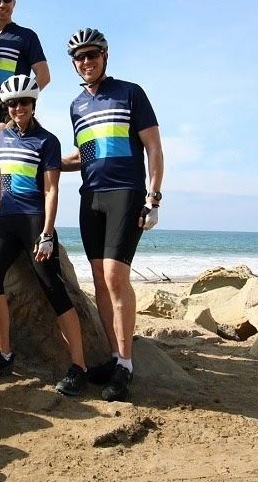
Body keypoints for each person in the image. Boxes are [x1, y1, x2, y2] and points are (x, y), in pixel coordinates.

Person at [0, 75, 88, 396]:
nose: (18, 108)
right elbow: (0, 181)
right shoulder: (1, 139)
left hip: (34, 221)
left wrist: (47, 233)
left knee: (53, 288)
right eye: (13, 103)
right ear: (6, 107)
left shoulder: (47, 141)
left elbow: (51, 189)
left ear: (33, 104)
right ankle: (3, 355)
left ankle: (79, 367)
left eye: (24, 102)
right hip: (6, 220)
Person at [62, 28, 164, 402]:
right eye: (79, 57)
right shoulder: (76, 106)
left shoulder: (130, 93)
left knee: (115, 278)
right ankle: (115, 356)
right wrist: (48, 164)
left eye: (92, 55)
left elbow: (153, 145)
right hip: (91, 196)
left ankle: (127, 365)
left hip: (126, 192)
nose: (86, 62)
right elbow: (86, 155)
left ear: (104, 56)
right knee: (99, 281)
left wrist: (154, 196)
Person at [0, 0, 51, 223]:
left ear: (14, 2)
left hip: (10, 109)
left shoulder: (26, 36)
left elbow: (44, 76)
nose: (2, 4)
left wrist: (23, 101)